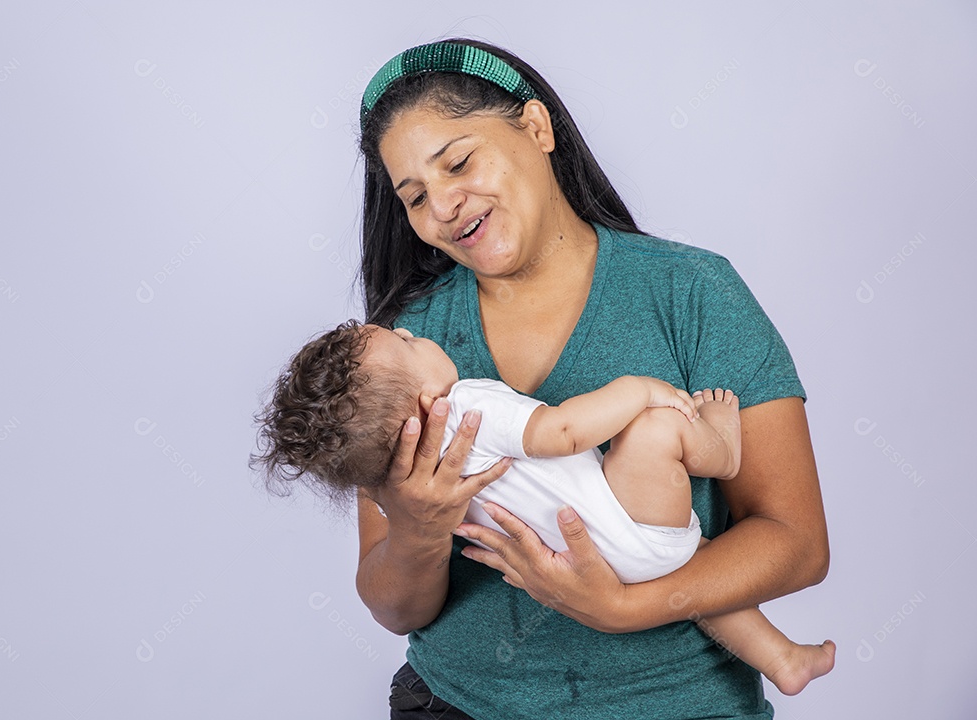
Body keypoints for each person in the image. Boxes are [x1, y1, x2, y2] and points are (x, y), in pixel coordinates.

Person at [331, 38, 827, 718]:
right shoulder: (400, 352)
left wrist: (626, 607)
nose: (443, 205)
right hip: (457, 703)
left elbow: (796, 544)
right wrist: (418, 526)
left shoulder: (691, 292)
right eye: (415, 196)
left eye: (459, 162)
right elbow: (393, 608)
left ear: (537, 128)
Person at [255, 319, 836, 697]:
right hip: (625, 524)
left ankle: (781, 658)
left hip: (581, 560)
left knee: (687, 571)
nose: (411, 329)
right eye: (405, 343)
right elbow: (560, 430)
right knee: (657, 432)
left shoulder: (399, 479)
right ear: (423, 402)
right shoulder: (466, 405)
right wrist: (639, 391)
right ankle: (721, 450)